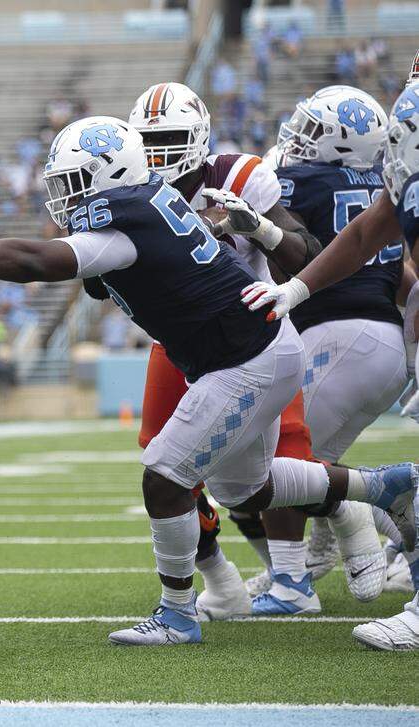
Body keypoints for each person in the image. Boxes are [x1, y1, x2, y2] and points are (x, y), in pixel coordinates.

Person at [0, 115, 417, 646]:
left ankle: (178, 613)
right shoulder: (146, 205)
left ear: (108, 175)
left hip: (245, 359)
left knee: (164, 475)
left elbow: (38, 260)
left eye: (72, 184)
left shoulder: (125, 220)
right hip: (257, 349)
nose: (65, 199)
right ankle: (383, 485)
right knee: (247, 490)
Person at [123, 82, 387, 618]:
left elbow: (304, 254)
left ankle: (310, 556)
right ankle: (225, 579)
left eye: (170, 138)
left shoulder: (240, 176)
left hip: (254, 337)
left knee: (283, 457)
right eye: (148, 141)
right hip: (176, 340)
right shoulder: (129, 185)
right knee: (166, 461)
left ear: (198, 137)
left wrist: (260, 228)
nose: (158, 153)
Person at [244, 79, 419, 650]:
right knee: (314, 461)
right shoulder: (386, 180)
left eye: (313, 133)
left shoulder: (300, 179)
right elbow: (392, 264)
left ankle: (301, 572)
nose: (299, 142)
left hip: (342, 338)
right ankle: (323, 555)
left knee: (278, 462)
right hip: (384, 339)